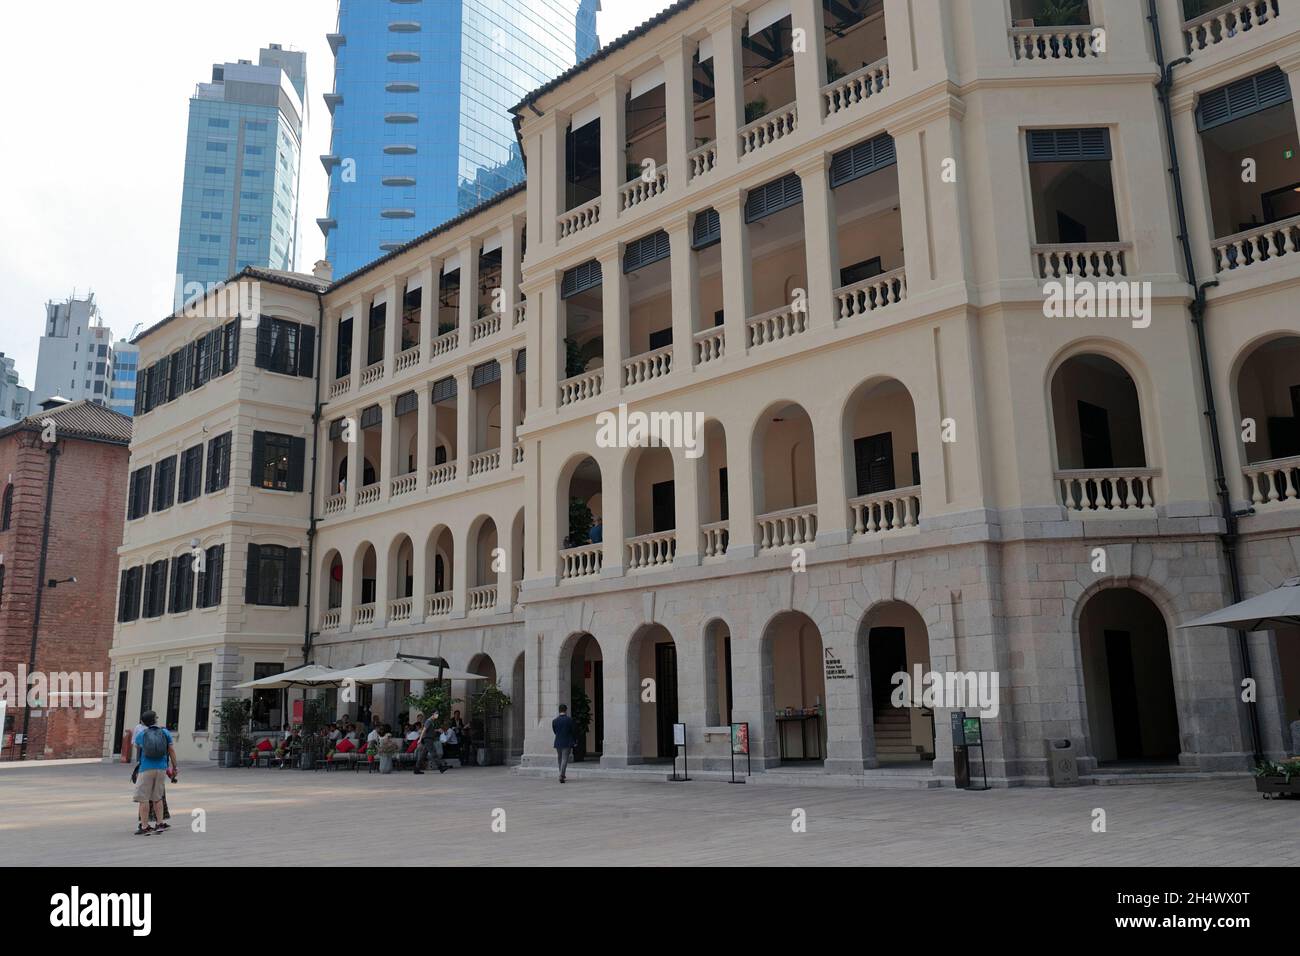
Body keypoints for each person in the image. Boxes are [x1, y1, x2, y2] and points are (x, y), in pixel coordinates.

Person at [132, 711, 177, 835]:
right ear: (155, 720)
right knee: (158, 798)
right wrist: (174, 767)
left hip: (146, 768)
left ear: (143, 722)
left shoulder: (142, 734)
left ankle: (145, 826)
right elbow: (171, 750)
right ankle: (159, 824)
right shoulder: (165, 732)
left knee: (143, 798)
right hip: (161, 768)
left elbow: (137, 748)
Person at [552, 703, 577, 784]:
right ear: (566, 710)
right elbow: (573, 731)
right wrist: (575, 741)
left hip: (558, 741)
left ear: (559, 710)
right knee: (564, 759)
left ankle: (561, 774)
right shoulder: (569, 720)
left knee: (559, 758)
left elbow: (555, 731)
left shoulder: (555, 721)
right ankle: (562, 775)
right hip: (567, 741)